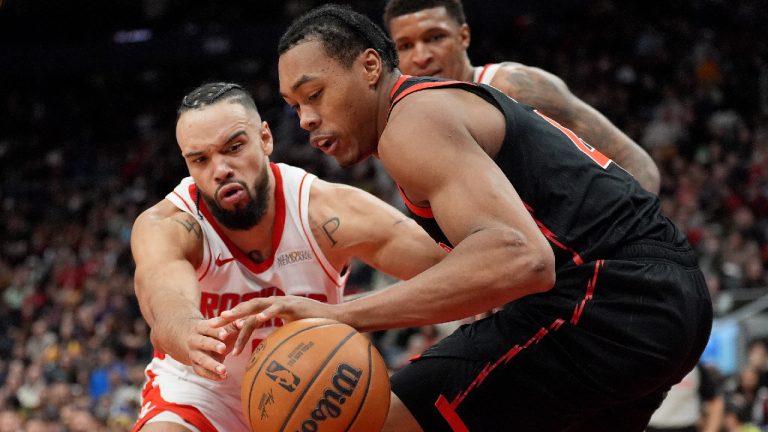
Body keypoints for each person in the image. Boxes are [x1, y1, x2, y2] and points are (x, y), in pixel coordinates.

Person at [212, 4, 713, 431]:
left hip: (607, 302)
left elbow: (521, 258)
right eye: (294, 106)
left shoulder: (412, 123)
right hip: (662, 298)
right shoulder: (432, 114)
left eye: (314, 94)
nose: (305, 120)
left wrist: (343, 315)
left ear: (369, 68)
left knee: (383, 418)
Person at [129, 82, 446, 431]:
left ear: (265, 138)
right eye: (200, 159)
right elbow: (164, 301)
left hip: (318, 387)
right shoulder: (169, 225)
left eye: (234, 147)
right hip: (203, 394)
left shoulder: (327, 213)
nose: (220, 170)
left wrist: (352, 315)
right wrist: (188, 332)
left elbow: (454, 271)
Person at [382, 0, 660, 194]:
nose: (421, 56)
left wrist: (626, 246)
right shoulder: (420, 130)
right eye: (406, 46)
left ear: (463, 36)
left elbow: (635, 162)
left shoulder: (516, 87)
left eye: (434, 38)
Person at [646, 362, 725, 432]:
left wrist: (710, 429)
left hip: (686, 426)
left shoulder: (695, 367)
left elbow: (716, 401)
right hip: (651, 426)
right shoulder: (648, 364)